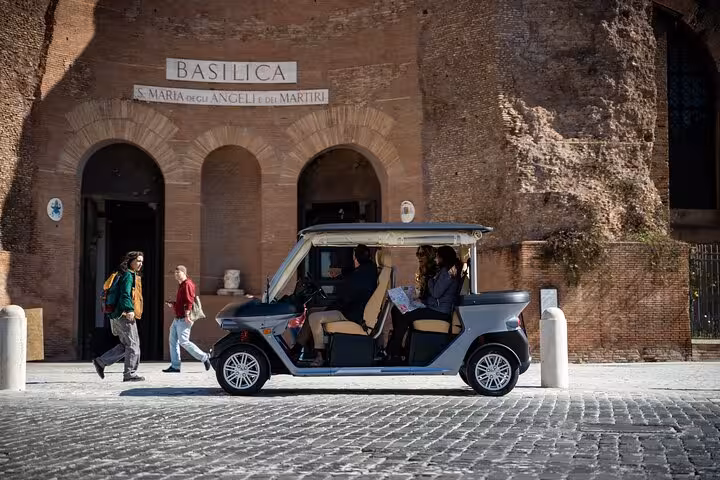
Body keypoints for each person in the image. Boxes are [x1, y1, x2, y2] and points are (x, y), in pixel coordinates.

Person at [296, 244, 378, 366]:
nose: (353, 260)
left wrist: (331, 306)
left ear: (357, 258)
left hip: (352, 314)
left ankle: (320, 355)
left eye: (354, 257)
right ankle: (297, 349)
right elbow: (353, 271)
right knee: (311, 311)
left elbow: (346, 299)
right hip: (350, 309)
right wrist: (340, 271)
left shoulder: (360, 277)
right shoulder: (369, 269)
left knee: (315, 317)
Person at [386, 246, 462, 361]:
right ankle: (396, 348)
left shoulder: (447, 272)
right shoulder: (446, 270)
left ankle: (395, 350)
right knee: (398, 309)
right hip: (433, 307)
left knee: (404, 314)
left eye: (438, 257)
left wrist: (429, 278)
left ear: (443, 257)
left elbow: (436, 292)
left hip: (439, 311)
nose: (436, 259)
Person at [92, 251, 145, 382]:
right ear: (130, 261)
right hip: (124, 314)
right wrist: (129, 309)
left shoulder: (126, 274)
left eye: (142, 261)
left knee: (126, 344)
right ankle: (129, 374)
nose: (140, 264)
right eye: (138, 261)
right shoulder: (128, 275)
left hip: (117, 314)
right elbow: (125, 294)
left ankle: (101, 362)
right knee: (133, 344)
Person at [163, 265, 211, 373]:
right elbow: (182, 302)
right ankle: (175, 366)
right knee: (173, 340)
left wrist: (187, 315)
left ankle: (204, 357)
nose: (176, 274)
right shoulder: (181, 285)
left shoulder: (188, 284)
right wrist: (173, 304)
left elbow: (189, 301)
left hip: (184, 318)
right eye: (175, 273)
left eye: (178, 272)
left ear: (184, 273)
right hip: (177, 318)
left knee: (184, 341)